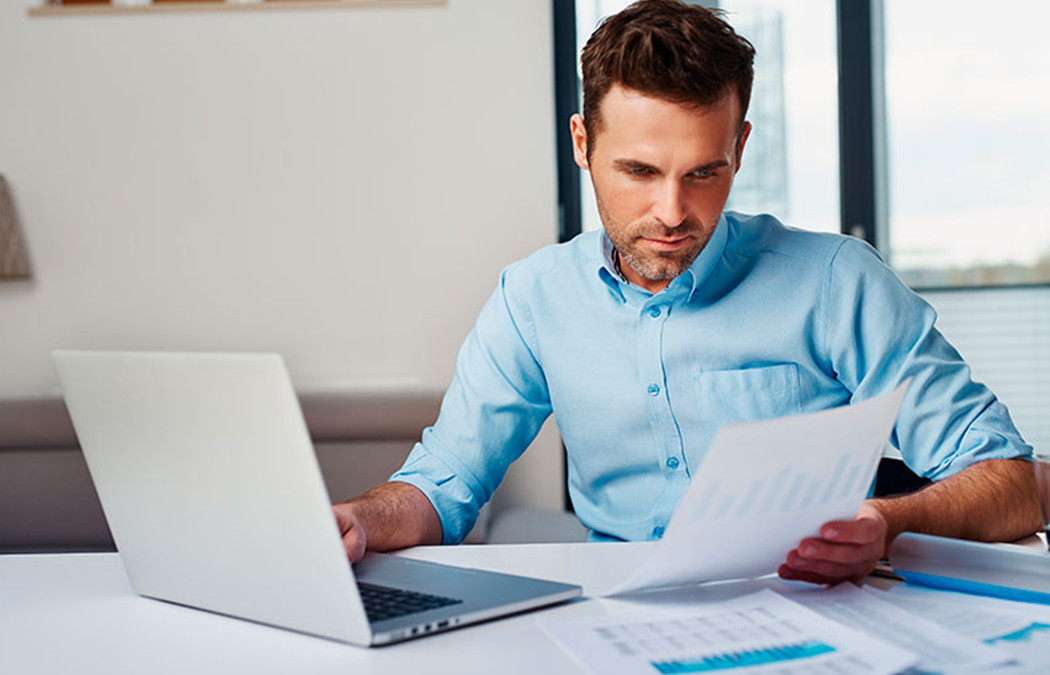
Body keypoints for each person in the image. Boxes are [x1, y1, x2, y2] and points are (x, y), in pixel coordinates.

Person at [333, 0, 1040, 585]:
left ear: (741, 145)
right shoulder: (532, 299)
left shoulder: (837, 282)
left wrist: (887, 523)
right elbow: (444, 481)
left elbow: (1013, 484)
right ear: (582, 143)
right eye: (639, 170)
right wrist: (361, 520)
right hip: (615, 623)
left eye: (705, 172)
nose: (672, 212)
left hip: (813, 619)